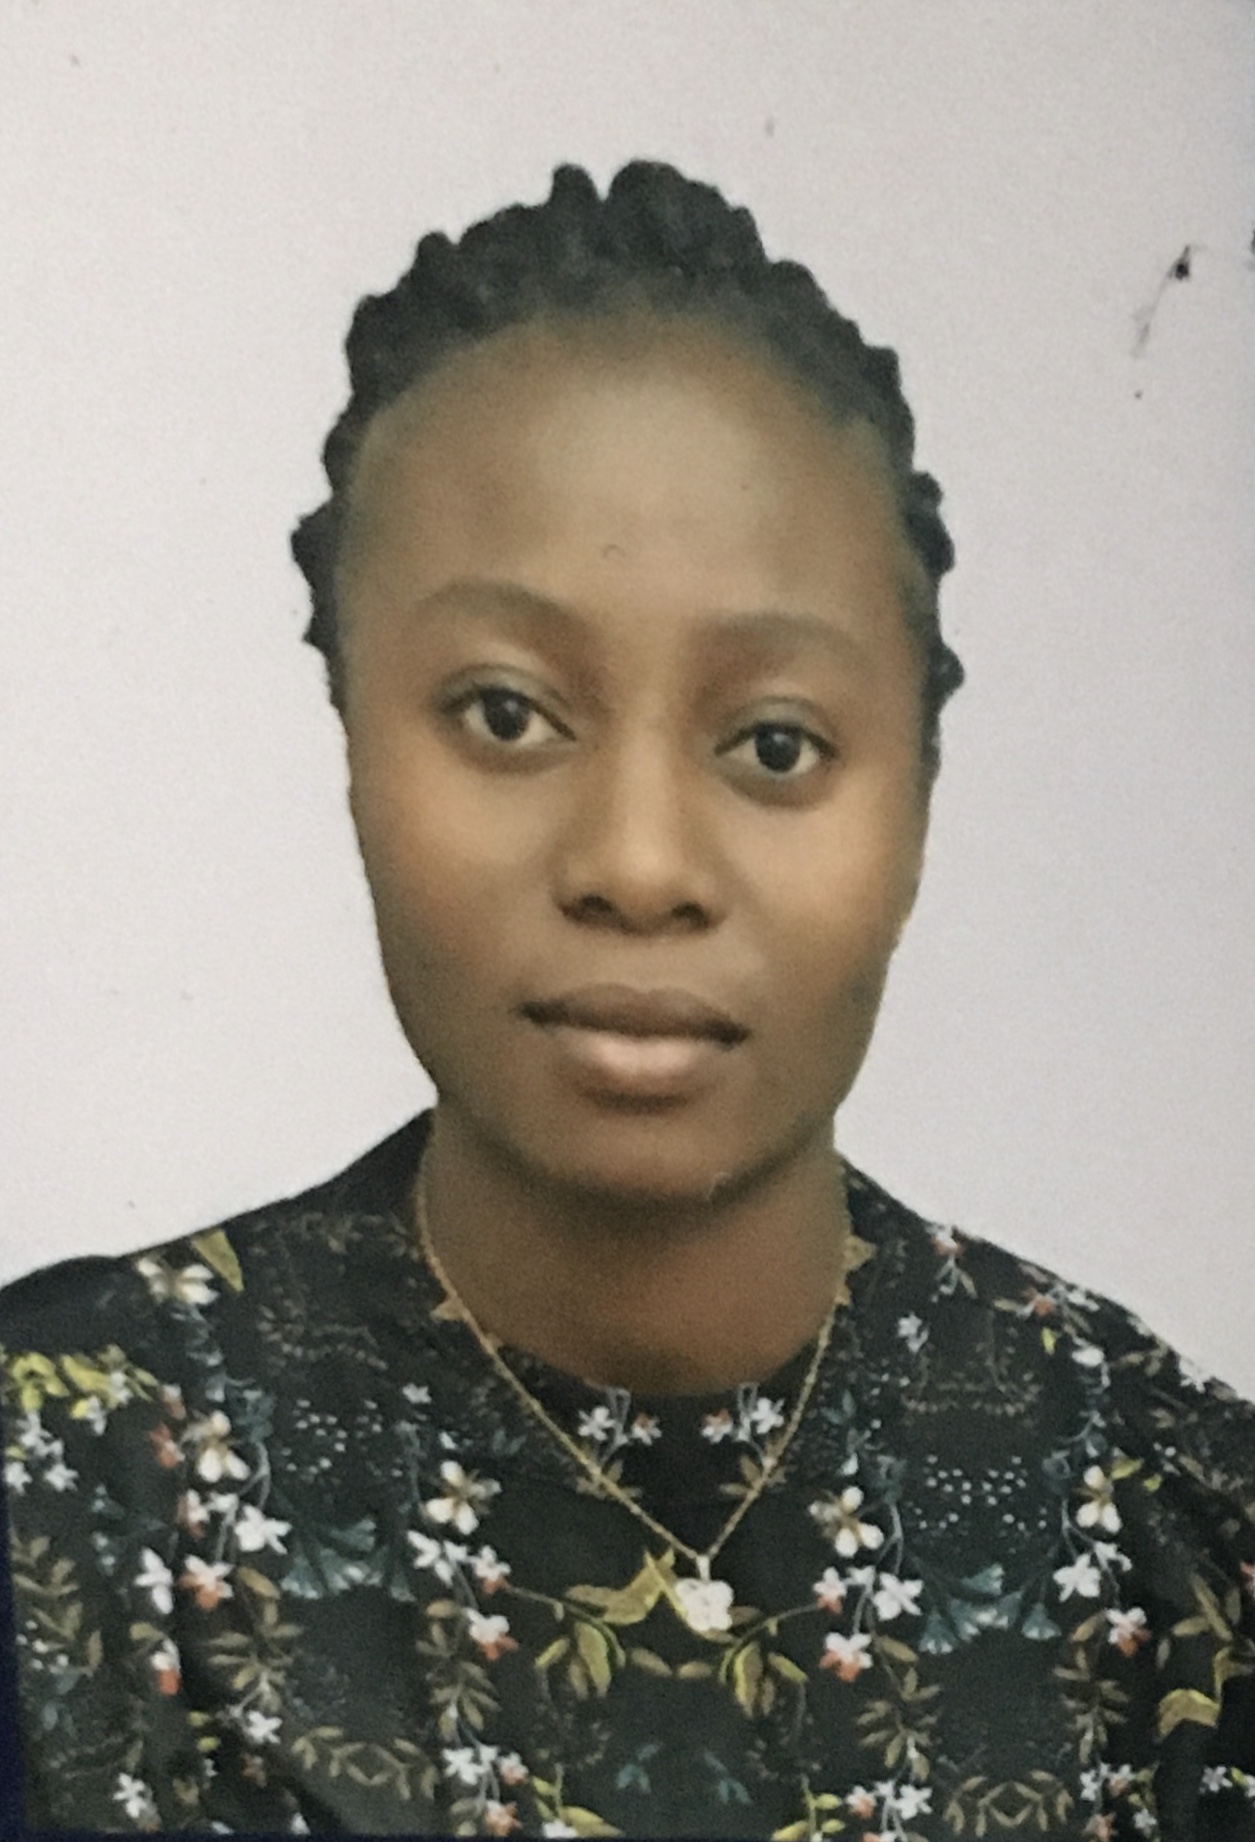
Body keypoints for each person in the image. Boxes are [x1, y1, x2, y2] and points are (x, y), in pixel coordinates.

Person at [1, 160, 1251, 1841]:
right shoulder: (64, 1488)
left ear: (920, 795)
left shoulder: (1189, 1537)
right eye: (507, 714)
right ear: (354, 737)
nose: (640, 863)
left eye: (775, 742)